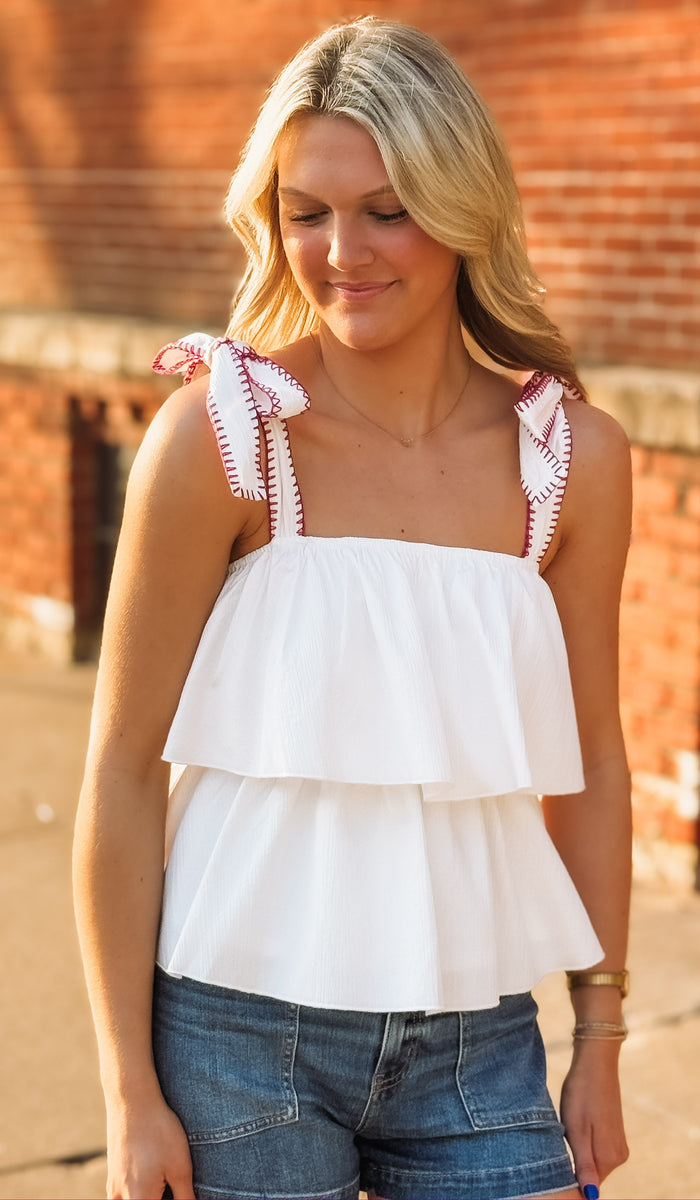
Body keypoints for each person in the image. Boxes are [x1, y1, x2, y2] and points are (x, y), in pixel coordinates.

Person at [73, 16, 633, 1200]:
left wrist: (599, 1037)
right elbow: (119, 770)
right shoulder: (222, 439)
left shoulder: (568, 459)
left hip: (480, 1040)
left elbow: (591, 757)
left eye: (389, 208)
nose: (342, 252)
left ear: (464, 207)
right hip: (235, 1041)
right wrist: (129, 1091)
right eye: (306, 210)